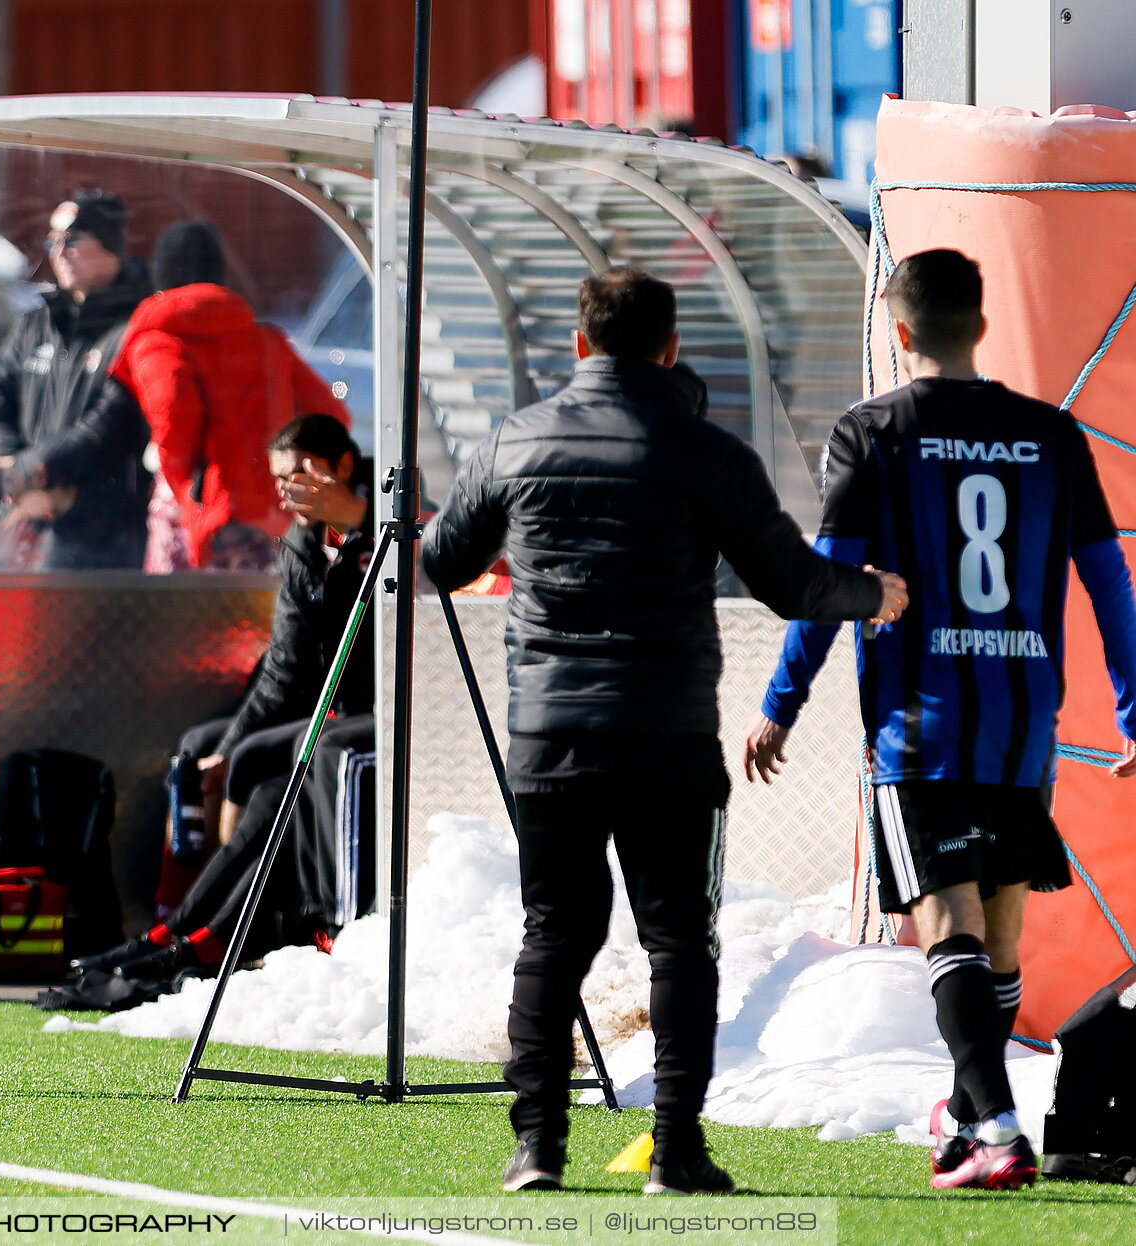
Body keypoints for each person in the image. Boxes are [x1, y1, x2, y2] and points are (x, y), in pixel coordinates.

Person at [420, 268, 905, 1195]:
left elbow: (443, 562)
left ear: (578, 345)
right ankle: (676, 1151)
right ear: (671, 347)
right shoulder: (706, 453)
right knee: (679, 937)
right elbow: (792, 583)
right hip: (669, 732)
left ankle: (537, 1148)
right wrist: (872, 595)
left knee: (554, 933)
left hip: (550, 732)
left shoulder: (516, 442)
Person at [742, 248, 1136, 1192]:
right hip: (1021, 719)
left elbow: (833, 578)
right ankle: (966, 1117)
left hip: (920, 722)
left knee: (945, 922)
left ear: (900, 330)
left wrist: (780, 704)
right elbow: (1107, 577)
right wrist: (1133, 707)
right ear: (983, 326)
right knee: (998, 940)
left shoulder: (872, 432)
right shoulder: (1051, 432)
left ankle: (997, 1126)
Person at [76, 414, 375, 977]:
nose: (291, 487)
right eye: (282, 477)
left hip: (373, 714)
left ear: (342, 466)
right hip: (321, 707)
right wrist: (228, 745)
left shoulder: (394, 522)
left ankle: (231, 934)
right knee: (201, 747)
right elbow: (284, 667)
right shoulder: (303, 543)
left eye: (304, 471)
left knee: (258, 761)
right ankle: (177, 921)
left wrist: (358, 521)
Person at [109, 219, 349, 572]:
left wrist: (182, 493)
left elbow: (173, 418)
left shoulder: (157, 341)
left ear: (161, 275)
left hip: (200, 511)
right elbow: (331, 418)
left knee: (178, 621)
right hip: (270, 513)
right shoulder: (268, 341)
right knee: (258, 620)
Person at [0, 190, 152, 570]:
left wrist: (35, 472)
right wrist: (7, 472)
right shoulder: (37, 323)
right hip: (26, 517)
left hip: (100, 535)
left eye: (72, 239)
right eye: (53, 240)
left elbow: (111, 421)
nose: (58, 250)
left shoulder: (138, 324)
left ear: (110, 245)